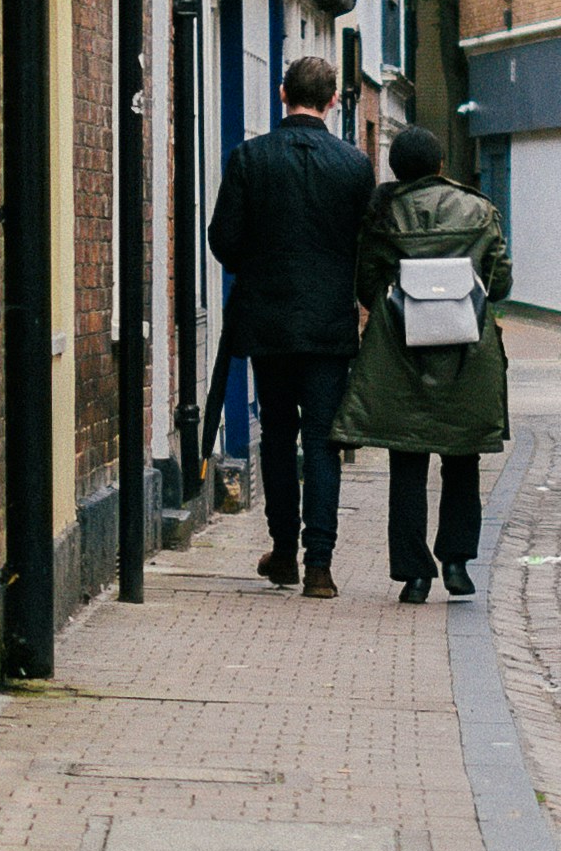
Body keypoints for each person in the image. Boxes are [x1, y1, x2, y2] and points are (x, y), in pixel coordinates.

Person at [207, 51, 377, 597]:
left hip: (270, 323)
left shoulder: (250, 158)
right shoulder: (354, 166)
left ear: (282, 94)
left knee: (277, 436)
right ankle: (320, 566)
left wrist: (259, 262)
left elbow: (223, 241)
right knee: (324, 441)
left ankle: (282, 551)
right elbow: (366, 245)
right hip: (328, 326)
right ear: (332, 101)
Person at [334, 125, 511, 602]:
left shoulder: (383, 213)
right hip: (467, 353)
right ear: (440, 165)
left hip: (399, 352)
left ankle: (414, 575)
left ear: (396, 169)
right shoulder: (479, 209)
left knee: (406, 459)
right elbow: (499, 284)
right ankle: (457, 562)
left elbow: (366, 281)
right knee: (462, 458)